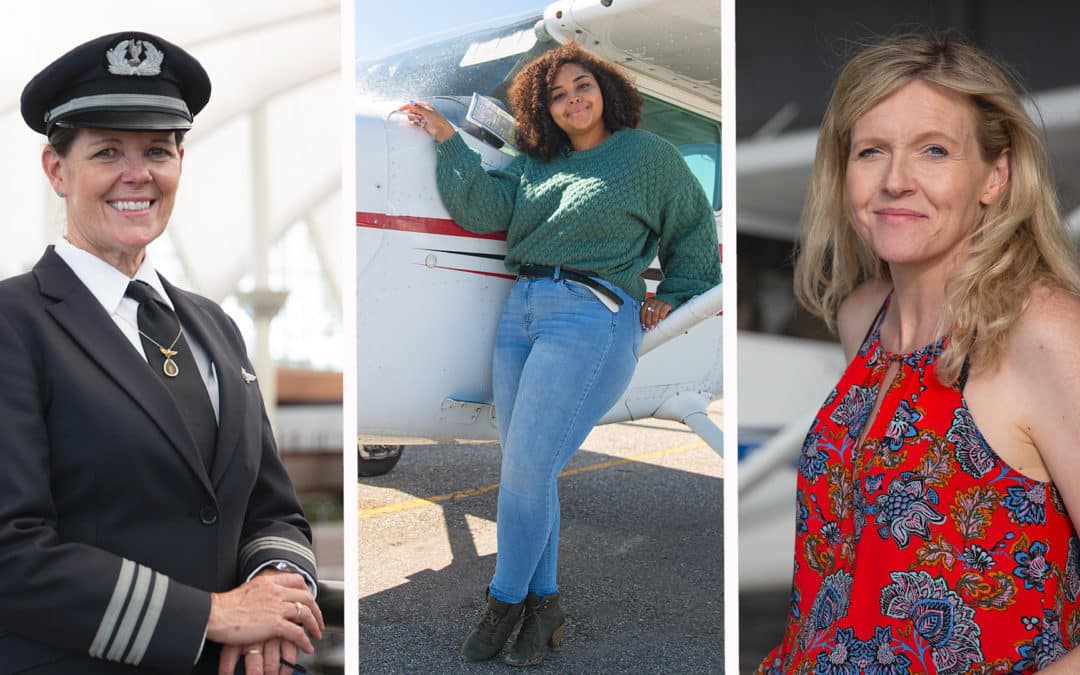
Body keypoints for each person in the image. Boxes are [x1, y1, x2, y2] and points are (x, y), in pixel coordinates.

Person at [2, 32, 324, 674]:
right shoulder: (14, 322)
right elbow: (10, 549)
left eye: (157, 150)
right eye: (106, 153)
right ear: (56, 170)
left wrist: (277, 592)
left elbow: (273, 508)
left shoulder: (214, 326)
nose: (137, 174)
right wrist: (213, 615)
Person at [759, 32, 1080, 673]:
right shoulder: (863, 321)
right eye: (871, 151)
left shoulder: (1045, 333)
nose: (896, 181)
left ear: (997, 175)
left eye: (933, 151)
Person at [400, 41, 721, 666]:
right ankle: (546, 610)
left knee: (524, 470)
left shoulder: (647, 155)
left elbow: (692, 229)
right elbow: (479, 207)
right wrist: (445, 138)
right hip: (520, 312)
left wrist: (676, 294)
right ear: (541, 109)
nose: (572, 100)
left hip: (590, 315)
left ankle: (502, 603)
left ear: (604, 89)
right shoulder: (533, 163)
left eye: (582, 86)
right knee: (528, 469)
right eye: (556, 95)